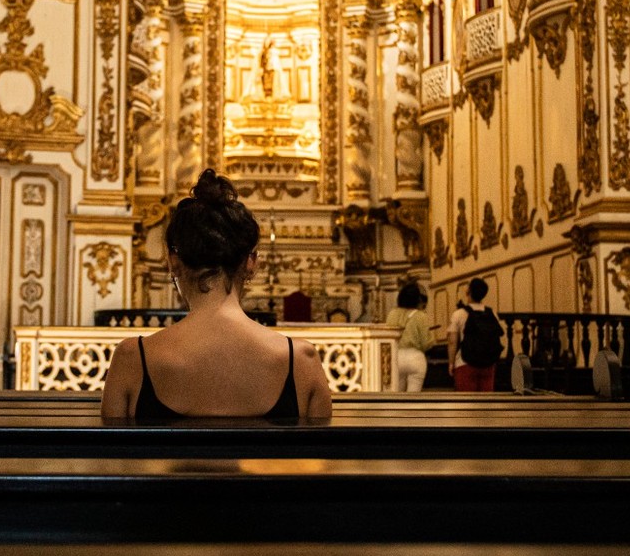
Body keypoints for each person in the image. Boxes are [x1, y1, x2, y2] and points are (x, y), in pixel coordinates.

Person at [100, 169, 334, 420]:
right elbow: (325, 459)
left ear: (172, 261)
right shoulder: (301, 361)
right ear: (251, 262)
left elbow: (106, 458)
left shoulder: (131, 359)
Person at [453, 277, 504, 392]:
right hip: (488, 363)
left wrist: (451, 363)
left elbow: (452, 341)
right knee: (486, 404)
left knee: (466, 404)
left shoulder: (460, 314)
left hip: (465, 362)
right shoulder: (492, 313)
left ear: (468, 291)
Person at [385, 282, 431, 393]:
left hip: (396, 357)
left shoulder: (392, 314)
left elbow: (387, 337)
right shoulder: (421, 316)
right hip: (415, 358)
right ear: (418, 299)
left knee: (396, 397)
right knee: (413, 398)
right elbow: (427, 343)